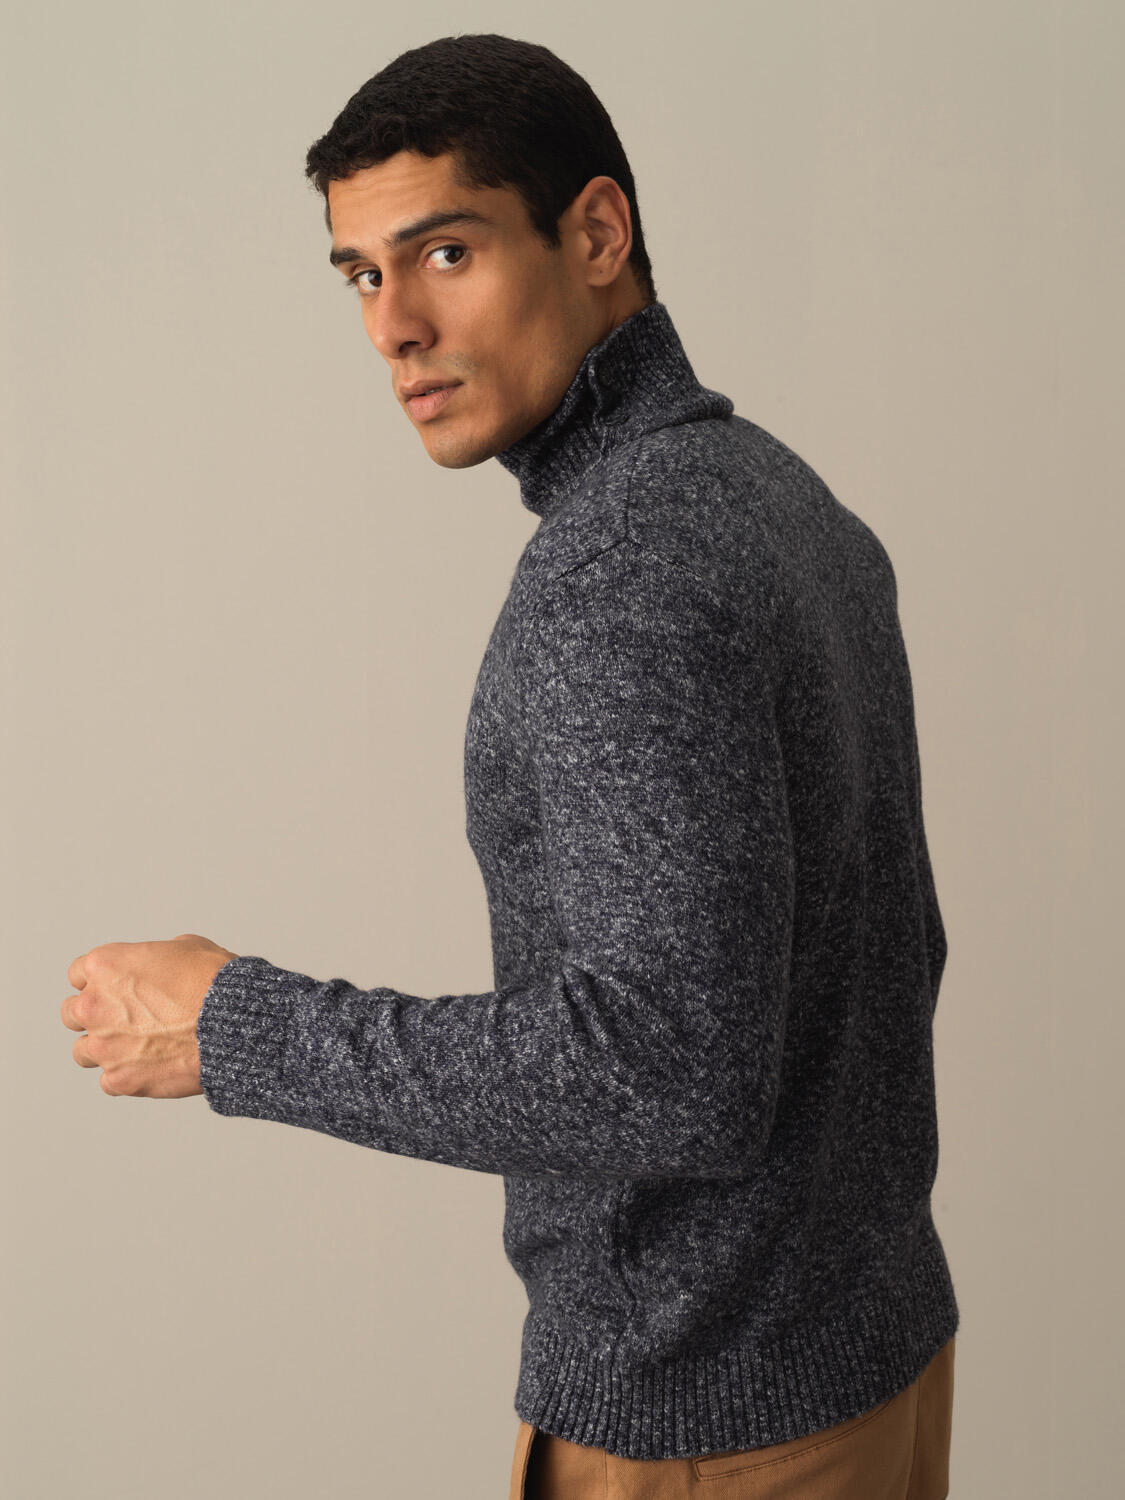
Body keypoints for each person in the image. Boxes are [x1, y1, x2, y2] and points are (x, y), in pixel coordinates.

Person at [61, 33, 958, 1499]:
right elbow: (890, 947)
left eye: (446, 252)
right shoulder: (777, 497)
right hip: (866, 1364)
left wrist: (234, 1026)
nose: (394, 326)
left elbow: (666, 1074)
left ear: (596, 235)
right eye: (360, 275)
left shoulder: (622, 568)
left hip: (701, 1432)